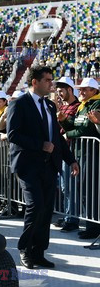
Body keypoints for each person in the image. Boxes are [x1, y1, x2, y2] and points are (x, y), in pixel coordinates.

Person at [7, 65, 79, 269]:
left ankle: (39, 252)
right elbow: (13, 135)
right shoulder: (19, 104)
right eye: (47, 80)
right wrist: (40, 145)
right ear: (35, 82)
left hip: (49, 166)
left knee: (46, 210)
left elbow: (56, 136)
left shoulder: (49, 106)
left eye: (51, 79)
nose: (51, 83)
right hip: (28, 165)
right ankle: (25, 249)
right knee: (35, 205)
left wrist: (71, 159)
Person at [58, 77, 100, 239]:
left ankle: (94, 227)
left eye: (85, 89)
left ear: (94, 91)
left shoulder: (97, 104)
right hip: (80, 152)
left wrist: (67, 133)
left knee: (91, 191)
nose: (80, 92)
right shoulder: (83, 106)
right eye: (80, 89)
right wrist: (64, 122)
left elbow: (86, 130)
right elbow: (77, 126)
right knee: (83, 190)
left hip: (92, 153)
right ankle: (90, 223)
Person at [52, 77, 81, 232]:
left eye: (61, 90)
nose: (59, 94)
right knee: (64, 187)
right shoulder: (62, 108)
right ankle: (68, 215)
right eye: (57, 91)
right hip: (63, 151)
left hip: (71, 151)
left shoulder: (77, 107)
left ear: (70, 90)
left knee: (68, 187)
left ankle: (72, 219)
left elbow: (72, 127)